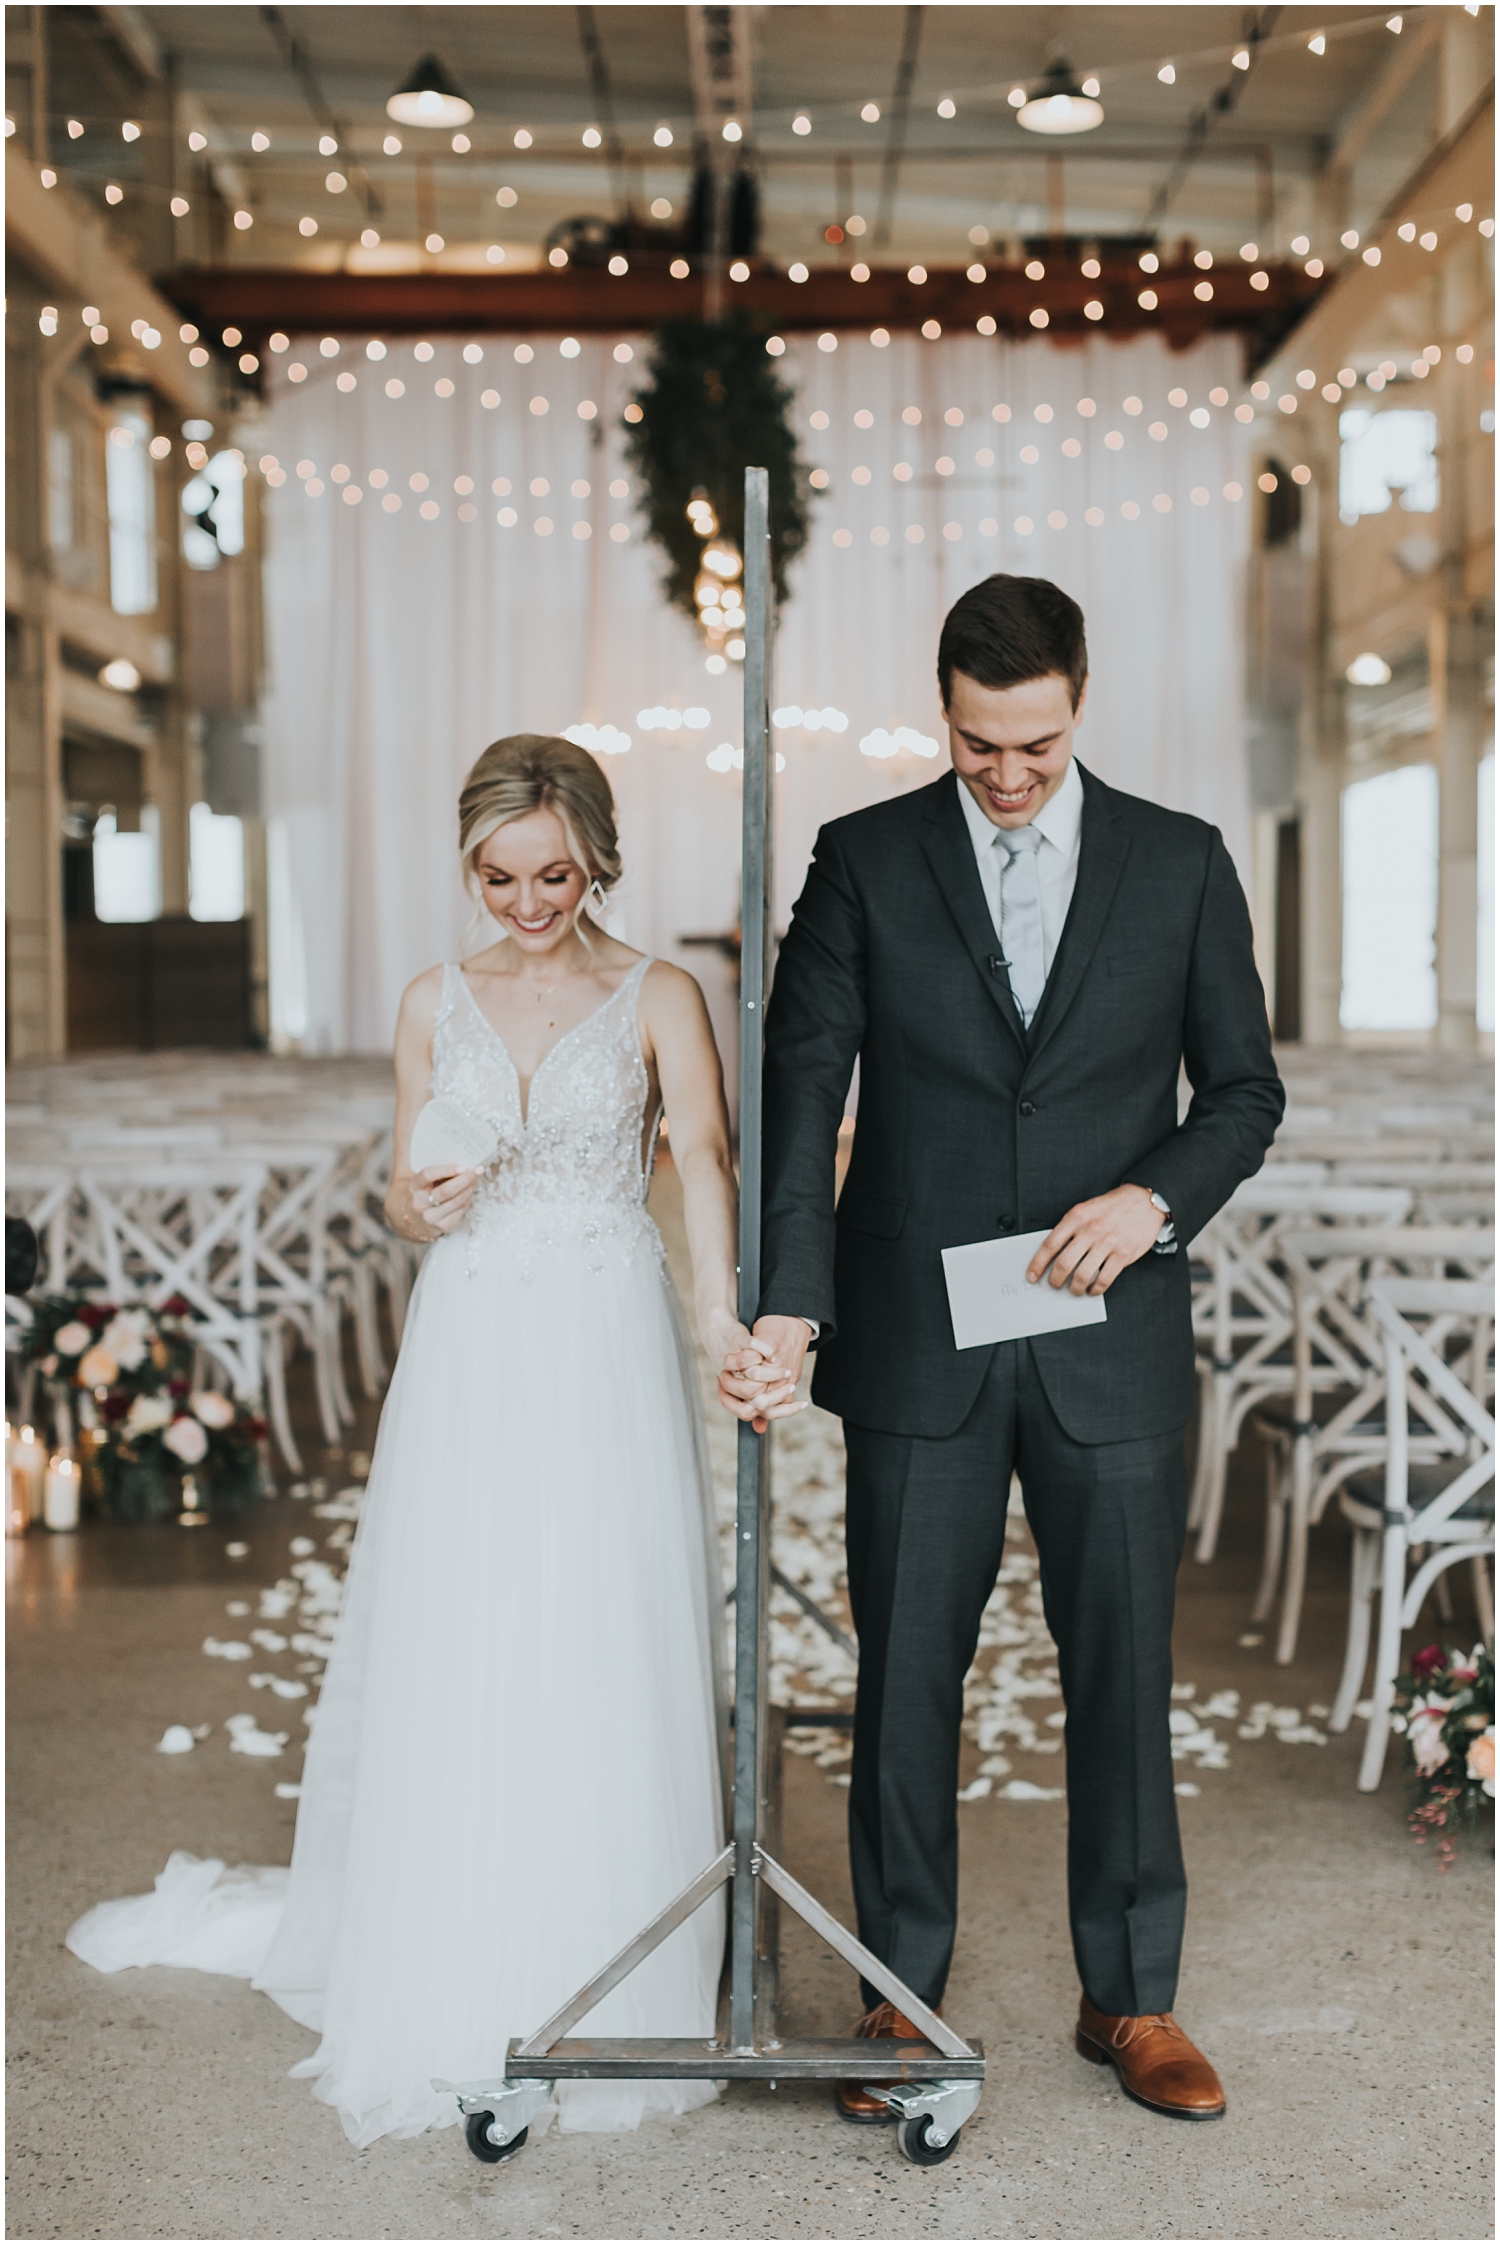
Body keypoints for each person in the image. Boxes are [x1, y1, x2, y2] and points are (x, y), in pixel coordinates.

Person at [68, 734, 795, 2147]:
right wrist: (429, 1203)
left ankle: (614, 1959)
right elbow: (407, 1201)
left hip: (601, 1325)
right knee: (469, 1622)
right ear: (470, 864)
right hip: (471, 1336)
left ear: (597, 858)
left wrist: (721, 1319)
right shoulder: (430, 1001)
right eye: (499, 874)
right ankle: (460, 1949)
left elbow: (704, 1161)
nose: (526, 900)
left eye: (554, 872)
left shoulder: (658, 993)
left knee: (596, 1619)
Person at [721, 574, 1284, 2124]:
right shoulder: (864, 860)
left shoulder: (1180, 863)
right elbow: (799, 1088)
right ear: (945, 710)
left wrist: (1152, 1199)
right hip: (920, 1340)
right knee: (908, 1672)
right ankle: (901, 1997)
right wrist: (789, 1294)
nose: (1009, 772)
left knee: (1122, 1669)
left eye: (1032, 742)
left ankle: (1133, 1997)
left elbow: (1244, 1092)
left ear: (1078, 700)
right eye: (980, 745)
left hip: (1109, 1331)